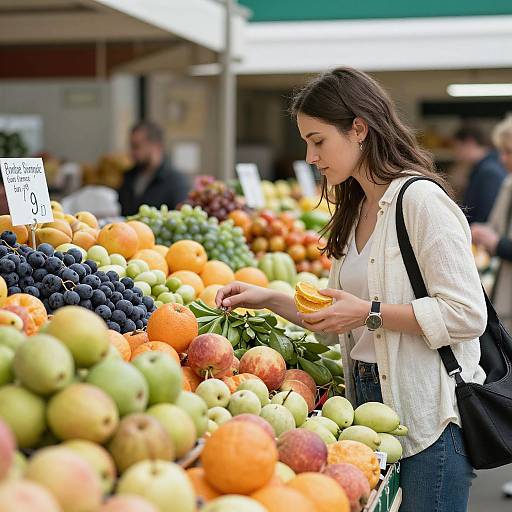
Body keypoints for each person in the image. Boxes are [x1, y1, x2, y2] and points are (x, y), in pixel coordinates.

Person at [216, 68, 486, 512]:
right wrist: (269, 299)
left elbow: (465, 314)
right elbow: (337, 320)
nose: (309, 155)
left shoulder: (420, 201)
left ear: (358, 128)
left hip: (427, 416)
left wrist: (369, 312)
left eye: (318, 140)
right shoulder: (356, 207)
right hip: (363, 410)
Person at [471, 116, 512, 331]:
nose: (503, 159)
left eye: (509, 152)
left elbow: (499, 238)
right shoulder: (507, 183)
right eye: (501, 152)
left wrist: (496, 242)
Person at [117, 121, 190, 216]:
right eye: (131, 146)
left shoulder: (176, 181)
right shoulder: (128, 176)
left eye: (136, 147)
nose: (131, 152)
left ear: (156, 146)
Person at [454, 125, 506, 224]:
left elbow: (485, 215)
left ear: (470, 142)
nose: (456, 153)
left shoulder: (489, 172)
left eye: (457, 147)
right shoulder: (484, 168)